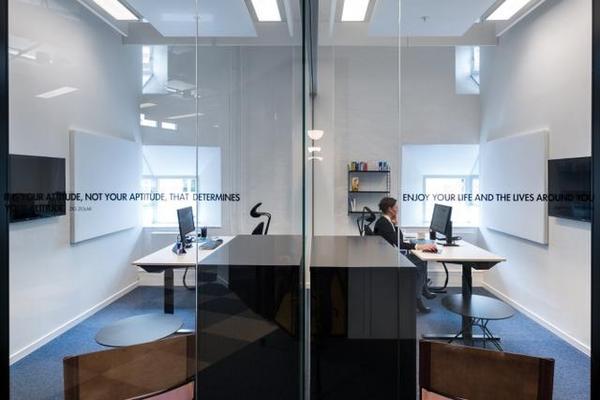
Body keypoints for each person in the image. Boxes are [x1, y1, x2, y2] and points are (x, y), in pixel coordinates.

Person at [374, 197, 437, 313]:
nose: (397, 208)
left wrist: (395, 224)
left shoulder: (386, 221)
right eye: (395, 207)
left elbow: (399, 239)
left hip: (390, 256)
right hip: (390, 260)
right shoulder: (383, 223)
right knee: (421, 262)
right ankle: (418, 297)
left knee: (421, 261)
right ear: (390, 209)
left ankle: (422, 290)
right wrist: (420, 246)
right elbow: (400, 244)